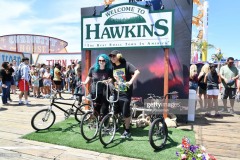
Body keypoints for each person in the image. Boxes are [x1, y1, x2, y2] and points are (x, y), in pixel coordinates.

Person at [109, 50, 140, 139]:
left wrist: (130, 82)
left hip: (125, 93)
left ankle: (127, 130)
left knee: (125, 113)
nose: (112, 58)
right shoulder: (113, 67)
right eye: (111, 57)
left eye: (114, 56)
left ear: (118, 56)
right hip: (116, 92)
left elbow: (137, 72)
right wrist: (109, 81)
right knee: (114, 111)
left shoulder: (127, 64)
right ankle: (116, 126)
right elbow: (111, 78)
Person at [82, 54, 113, 118]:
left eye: (103, 60)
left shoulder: (109, 70)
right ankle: (97, 123)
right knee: (96, 107)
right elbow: (89, 76)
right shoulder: (93, 68)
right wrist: (85, 82)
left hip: (105, 91)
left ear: (106, 61)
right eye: (100, 60)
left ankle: (105, 123)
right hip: (95, 91)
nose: (101, 62)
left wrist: (108, 81)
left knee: (105, 107)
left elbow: (112, 78)